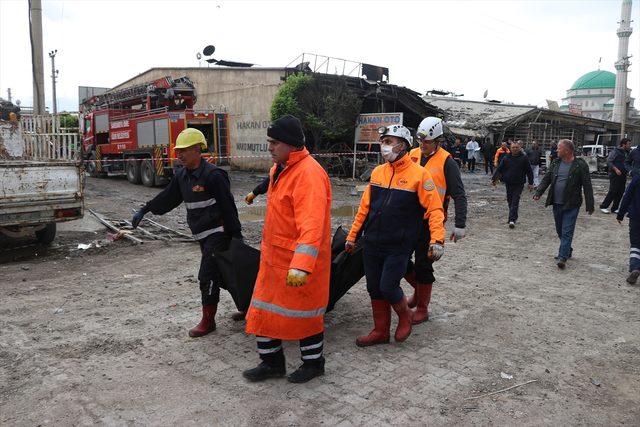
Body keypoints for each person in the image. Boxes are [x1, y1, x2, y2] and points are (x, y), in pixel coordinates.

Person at [243, 115, 332, 384]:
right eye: (269, 141)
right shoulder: (279, 168)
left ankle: (314, 363)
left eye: (274, 142)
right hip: (275, 259)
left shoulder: (309, 175)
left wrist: (301, 265)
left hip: (297, 264)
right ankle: (271, 362)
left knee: (304, 315)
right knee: (264, 309)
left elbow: (312, 224)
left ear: (291, 145)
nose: (269, 147)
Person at [131, 128, 243, 337]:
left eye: (184, 150)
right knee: (226, 275)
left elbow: (229, 207)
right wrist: (145, 209)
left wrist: (236, 235)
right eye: (178, 150)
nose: (179, 154)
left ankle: (208, 322)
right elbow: (167, 198)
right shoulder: (183, 176)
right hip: (202, 237)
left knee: (207, 276)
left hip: (218, 234)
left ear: (196, 150)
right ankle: (249, 308)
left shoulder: (214, 175)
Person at [346, 124, 445, 346]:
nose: (384, 147)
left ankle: (405, 316)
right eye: (383, 142)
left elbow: (435, 210)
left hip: (398, 245)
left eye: (389, 142)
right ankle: (380, 331)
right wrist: (352, 236)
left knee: (388, 286)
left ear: (403, 146)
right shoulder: (378, 172)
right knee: (374, 288)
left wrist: (437, 239)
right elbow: (364, 208)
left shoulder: (420, 175)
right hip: (372, 243)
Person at [406, 116, 467, 323]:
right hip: (407, 218)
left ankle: (422, 307)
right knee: (400, 259)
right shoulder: (411, 154)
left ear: (437, 141)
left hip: (431, 221)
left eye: (427, 141)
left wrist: (460, 225)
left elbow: (459, 194)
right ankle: (418, 290)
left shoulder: (447, 162)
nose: (422, 145)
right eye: (420, 140)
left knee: (424, 264)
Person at [534, 139, 594, 269]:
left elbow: (587, 185)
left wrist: (590, 204)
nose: (556, 150)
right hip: (556, 202)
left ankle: (562, 257)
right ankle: (567, 249)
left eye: (559, 148)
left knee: (567, 231)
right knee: (559, 229)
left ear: (567, 150)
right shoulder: (556, 162)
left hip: (572, 204)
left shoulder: (580, 165)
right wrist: (538, 192)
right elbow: (547, 179)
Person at [491, 141, 533, 228]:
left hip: (519, 183)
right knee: (510, 200)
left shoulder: (524, 158)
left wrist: (531, 183)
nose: (515, 149)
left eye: (516, 147)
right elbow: (500, 169)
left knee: (515, 200)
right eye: (513, 147)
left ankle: (512, 220)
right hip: (509, 182)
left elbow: (529, 171)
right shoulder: (506, 158)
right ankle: (513, 216)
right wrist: (494, 179)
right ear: (510, 148)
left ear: (520, 148)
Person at [616, 173, 640, 284]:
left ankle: (635, 267)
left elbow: (627, 196)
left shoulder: (637, 178)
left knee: (635, 244)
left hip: (636, 216)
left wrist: (620, 214)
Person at [600, 138, 632, 214]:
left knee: (621, 191)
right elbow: (609, 161)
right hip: (615, 174)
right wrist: (616, 169)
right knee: (613, 190)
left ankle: (615, 208)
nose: (630, 145)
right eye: (628, 144)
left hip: (623, 175)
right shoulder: (615, 151)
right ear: (623, 144)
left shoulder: (627, 152)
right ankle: (604, 206)